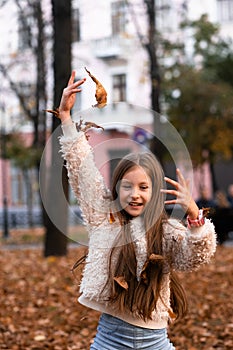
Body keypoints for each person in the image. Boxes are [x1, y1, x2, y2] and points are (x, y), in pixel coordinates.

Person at [57, 71, 216, 350]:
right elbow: (82, 170)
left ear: (154, 191)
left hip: (156, 341)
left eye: (144, 187)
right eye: (127, 186)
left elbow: (194, 257)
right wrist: (67, 120)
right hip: (110, 339)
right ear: (116, 188)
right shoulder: (103, 216)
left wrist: (193, 215)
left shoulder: (165, 230)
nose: (135, 194)